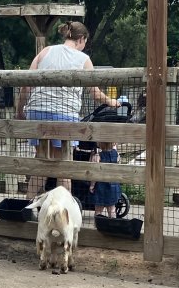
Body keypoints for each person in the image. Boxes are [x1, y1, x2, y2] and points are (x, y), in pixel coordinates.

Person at [17, 21, 112, 191]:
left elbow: (26, 85)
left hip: (37, 110)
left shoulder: (45, 51)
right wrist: (113, 102)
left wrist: (20, 110)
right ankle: (64, 206)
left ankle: (29, 204)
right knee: (64, 163)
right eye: (85, 42)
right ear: (81, 39)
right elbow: (95, 93)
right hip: (64, 114)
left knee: (41, 159)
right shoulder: (84, 59)